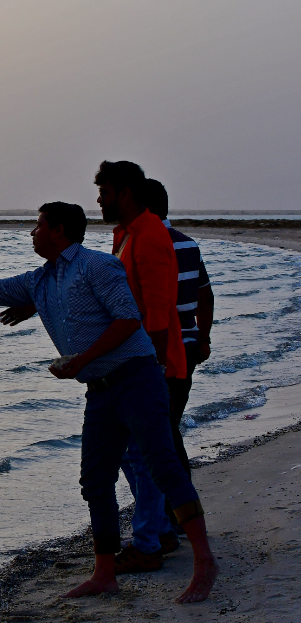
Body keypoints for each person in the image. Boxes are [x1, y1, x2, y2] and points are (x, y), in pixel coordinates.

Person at [0, 201, 218, 603]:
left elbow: (128, 319)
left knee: (163, 467)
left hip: (138, 378)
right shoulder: (41, 281)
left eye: (38, 226)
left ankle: (204, 562)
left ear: (58, 230)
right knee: (95, 481)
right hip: (100, 389)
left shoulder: (98, 266)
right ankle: (104, 574)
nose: (32, 233)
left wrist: (82, 359)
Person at [95, 161, 187, 573]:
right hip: (130, 362)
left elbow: (158, 314)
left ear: (126, 193)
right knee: (128, 454)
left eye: (105, 192)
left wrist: (155, 372)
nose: (99, 200)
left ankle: (148, 542)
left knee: (145, 456)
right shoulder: (125, 234)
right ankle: (160, 530)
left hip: (150, 365)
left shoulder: (149, 236)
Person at [146, 178, 214, 480]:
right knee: (169, 425)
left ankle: (180, 501)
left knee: (164, 431)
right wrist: (203, 338)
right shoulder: (188, 244)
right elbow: (205, 295)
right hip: (188, 347)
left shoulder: (144, 245)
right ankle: (175, 500)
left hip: (161, 349)